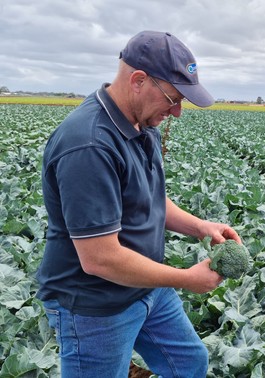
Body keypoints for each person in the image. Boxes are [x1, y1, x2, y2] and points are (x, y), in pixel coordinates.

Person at [37, 30, 241, 377]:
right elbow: (100, 258)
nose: (176, 112)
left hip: (146, 289)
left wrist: (200, 227)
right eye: (172, 98)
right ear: (138, 80)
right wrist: (184, 279)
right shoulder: (89, 145)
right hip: (96, 305)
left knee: (189, 364)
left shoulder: (140, 122)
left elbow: (149, 196)